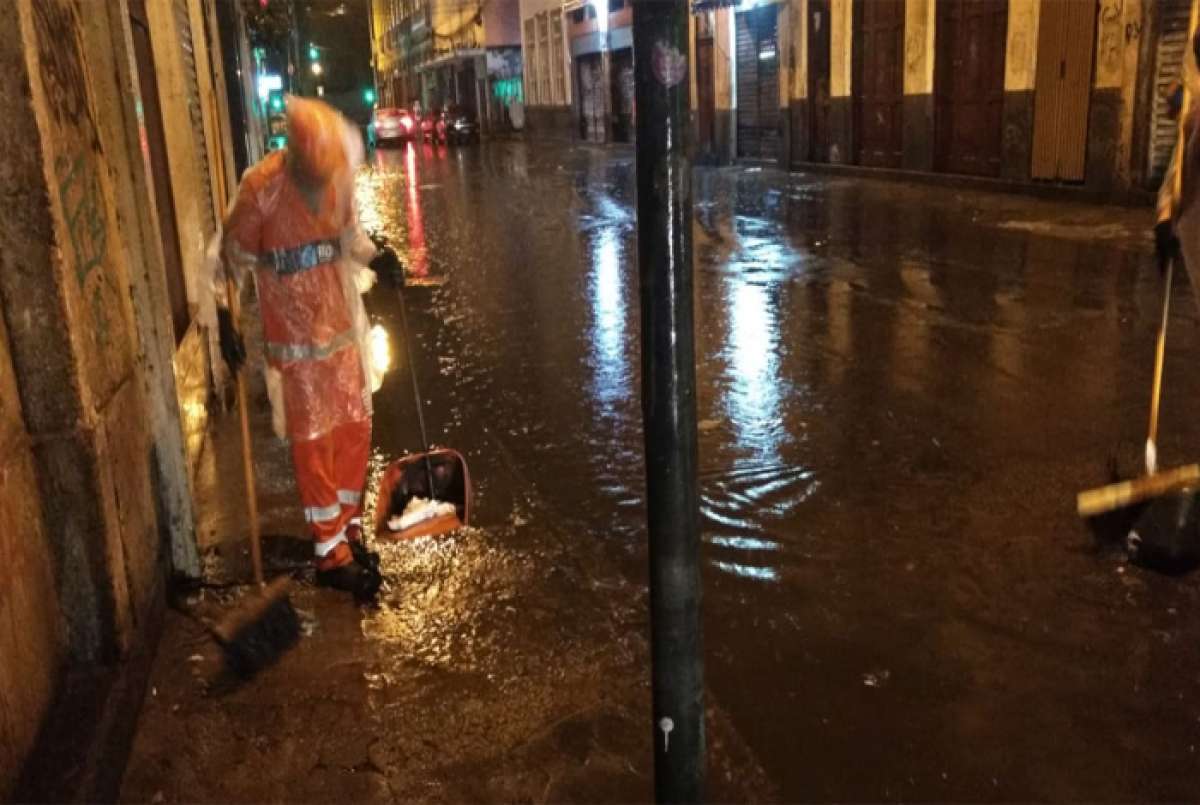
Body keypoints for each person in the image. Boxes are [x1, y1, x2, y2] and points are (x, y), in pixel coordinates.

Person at [215, 97, 400, 601]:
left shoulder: (335, 177)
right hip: (296, 346)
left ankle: (349, 529)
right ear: (296, 156)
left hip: (341, 334)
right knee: (314, 442)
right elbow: (230, 259)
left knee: (354, 429)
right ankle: (329, 553)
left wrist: (379, 260)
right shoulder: (261, 188)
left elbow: (350, 238)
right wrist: (224, 318)